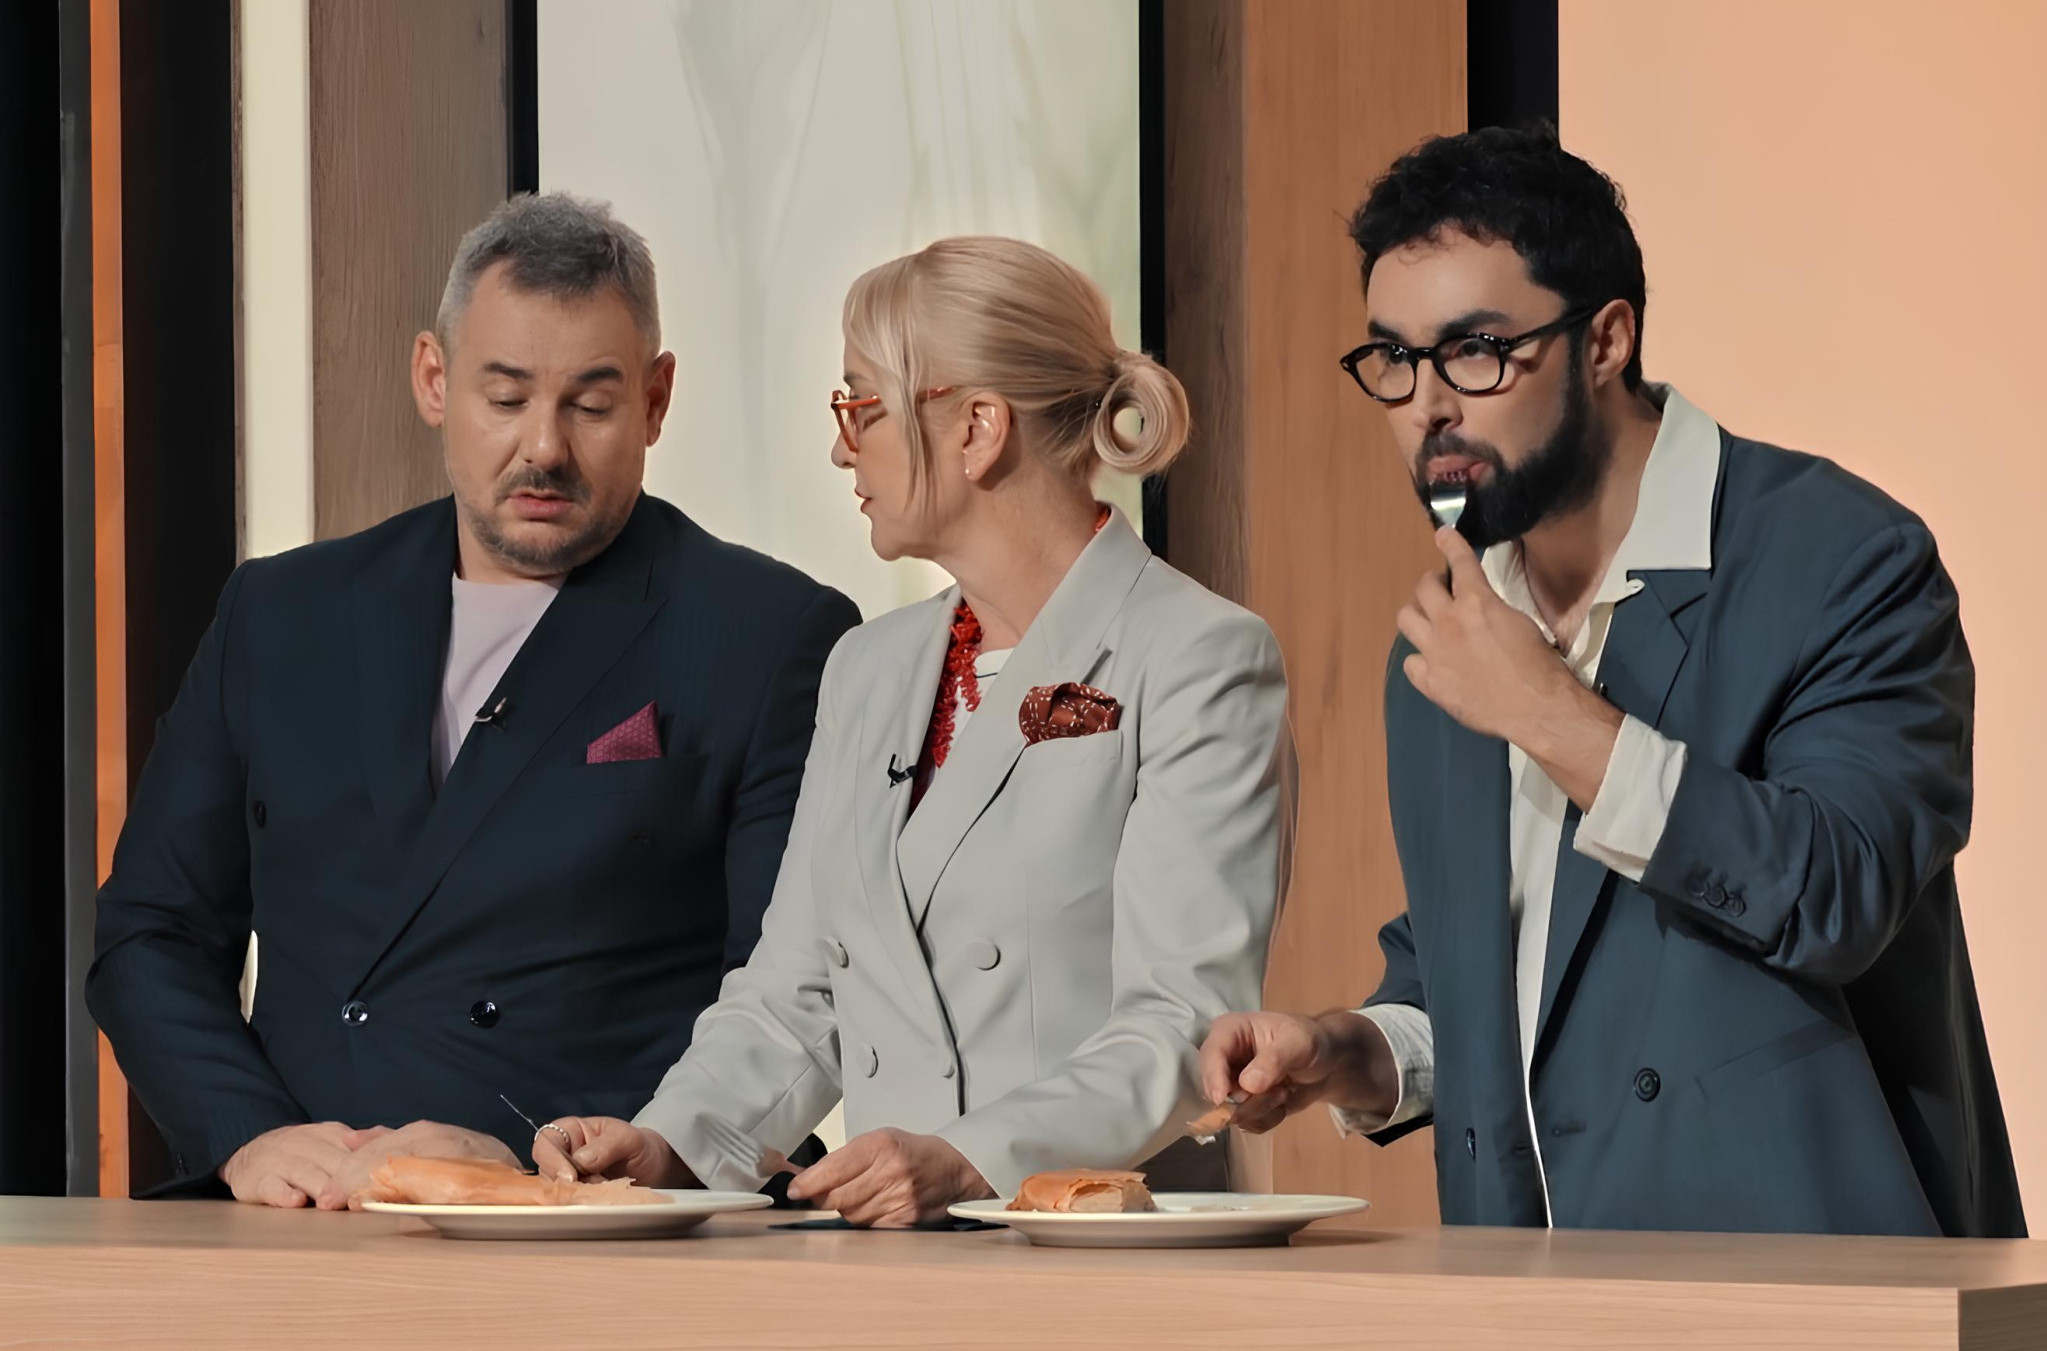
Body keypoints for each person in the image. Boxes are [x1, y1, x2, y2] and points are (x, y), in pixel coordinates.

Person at [1199, 126, 2024, 1237]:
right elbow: (1504, 972)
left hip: (1817, 1280)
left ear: (1605, 339)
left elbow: (1838, 891)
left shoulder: (1843, 558)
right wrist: (1347, 1049)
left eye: (1476, 350)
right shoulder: (1448, 636)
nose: (1428, 405)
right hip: (1533, 1288)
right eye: (1393, 360)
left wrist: (1551, 714)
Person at [87, 193, 859, 1208]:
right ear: (433, 379)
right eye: (505, 397)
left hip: (594, 1225)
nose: (543, 447)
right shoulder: (279, 613)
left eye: (590, 405)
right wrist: (252, 1137)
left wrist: (578, 1167)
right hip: (298, 1218)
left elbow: (791, 984)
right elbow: (150, 931)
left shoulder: (767, 633)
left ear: (656, 398)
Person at [532, 236, 1293, 1226]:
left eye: (861, 406)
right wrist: (669, 1141)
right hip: (896, 1258)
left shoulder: (1199, 655)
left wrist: (970, 1159)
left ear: (976, 427)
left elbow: (1185, 1023)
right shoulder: (868, 667)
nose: (841, 447)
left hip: (1102, 1253)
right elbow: (797, 987)